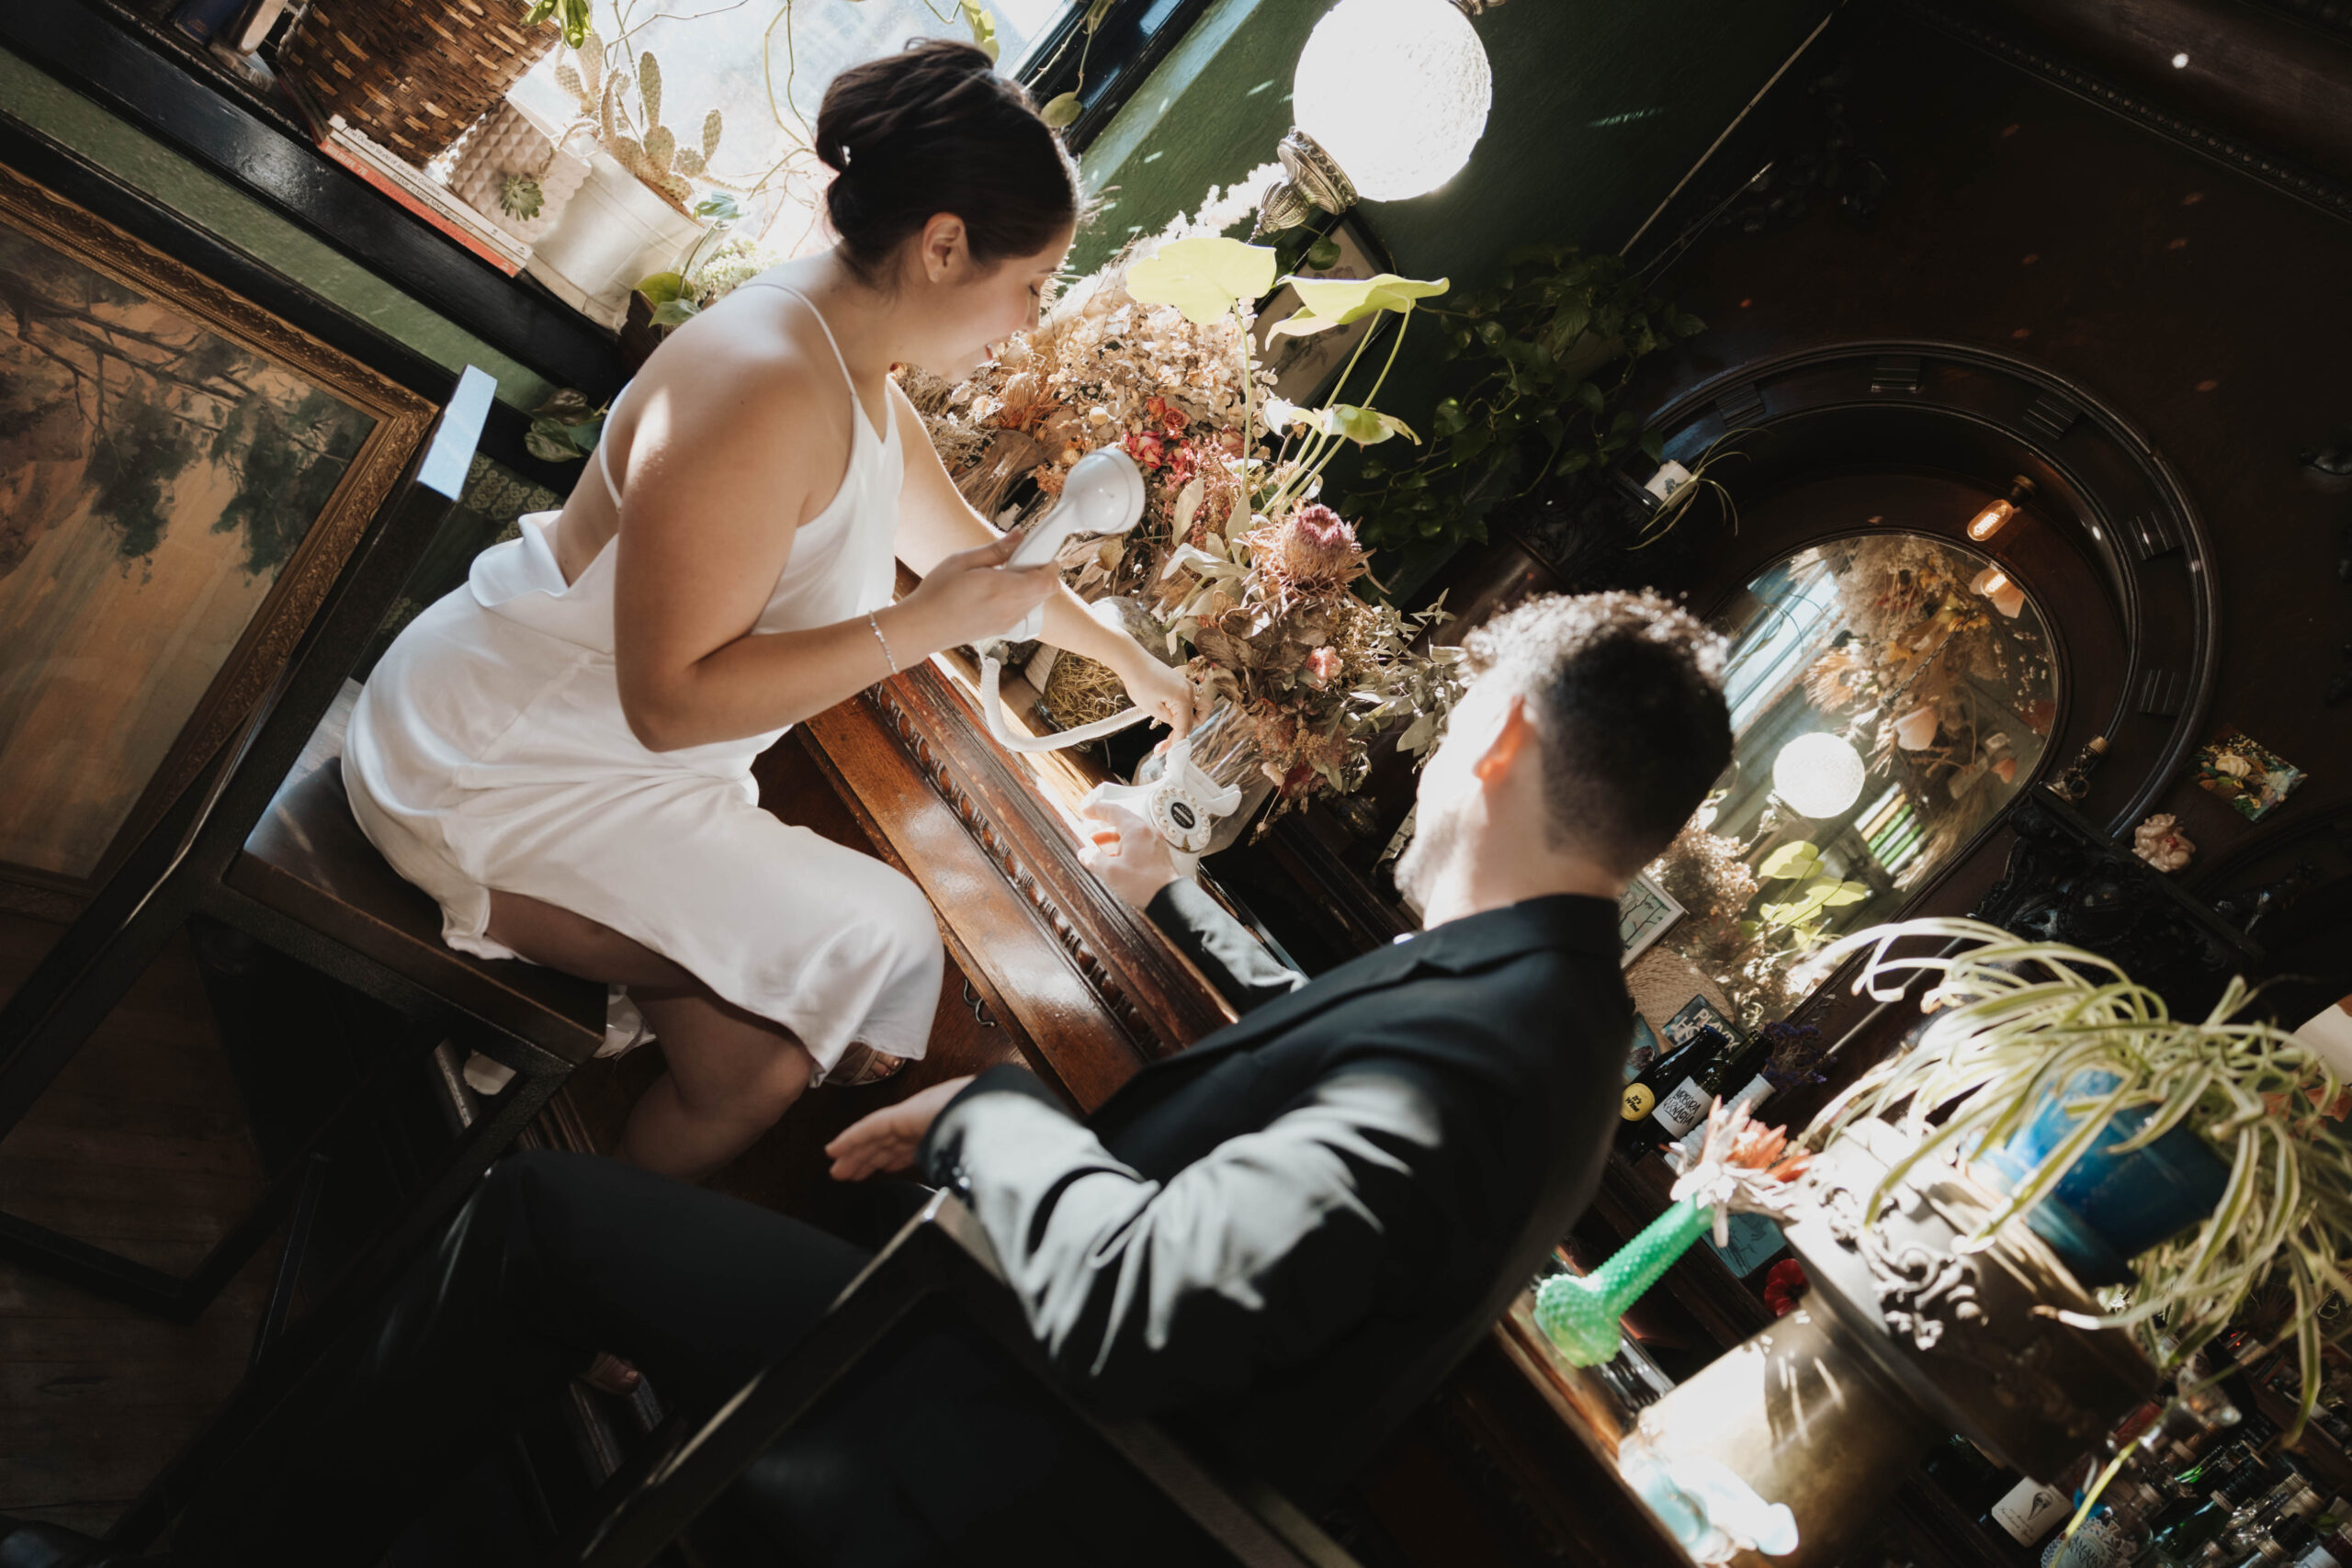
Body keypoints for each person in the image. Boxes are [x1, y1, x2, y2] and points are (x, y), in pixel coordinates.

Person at [174, 589, 1730, 1567]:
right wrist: (1174, 895)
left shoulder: (1490, 1042)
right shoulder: (1551, 1008)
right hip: (1026, 1405)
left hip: (1007, 1463)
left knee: (541, 1225)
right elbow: (1309, 1052)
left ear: (1501, 736)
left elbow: (1145, 1303)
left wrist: (992, 1116)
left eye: (1454, 720)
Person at [338, 40, 1193, 1185]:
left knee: (757, 1070)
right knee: (866, 936)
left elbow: (957, 554)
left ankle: (546, 1274)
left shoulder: (851, 368)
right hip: (498, 765)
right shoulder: (761, 383)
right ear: (944, 245)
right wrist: (923, 627)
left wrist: (1124, 654)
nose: (1028, 321)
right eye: (1031, 283)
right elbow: (669, 701)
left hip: (604, 772)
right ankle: (486, 1148)